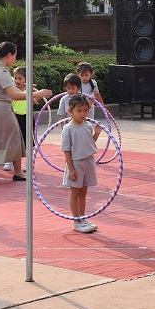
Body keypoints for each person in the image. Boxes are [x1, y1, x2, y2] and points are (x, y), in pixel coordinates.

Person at [0, 42, 53, 184]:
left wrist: (30, 95)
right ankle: (18, 172)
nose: (15, 59)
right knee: (16, 138)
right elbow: (14, 95)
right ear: (9, 55)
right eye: (15, 56)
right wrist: (37, 94)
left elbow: (14, 90)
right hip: (2, 110)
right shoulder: (3, 72)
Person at [60, 93, 100, 233]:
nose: (83, 114)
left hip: (88, 161)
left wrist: (96, 133)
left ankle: (83, 218)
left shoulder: (87, 125)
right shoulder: (68, 129)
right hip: (76, 163)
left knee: (83, 192)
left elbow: (89, 143)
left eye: (85, 110)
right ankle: (76, 221)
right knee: (75, 192)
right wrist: (71, 169)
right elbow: (66, 150)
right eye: (79, 110)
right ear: (70, 111)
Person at [12, 67, 30, 146]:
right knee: (16, 138)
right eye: (15, 78)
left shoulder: (29, 90)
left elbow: (35, 100)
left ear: (26, 79)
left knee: (28, 138)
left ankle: (28, 152)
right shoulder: (12, 91)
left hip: (27, 116)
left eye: (20, 79)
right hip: (15, 116)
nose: (17, 81)